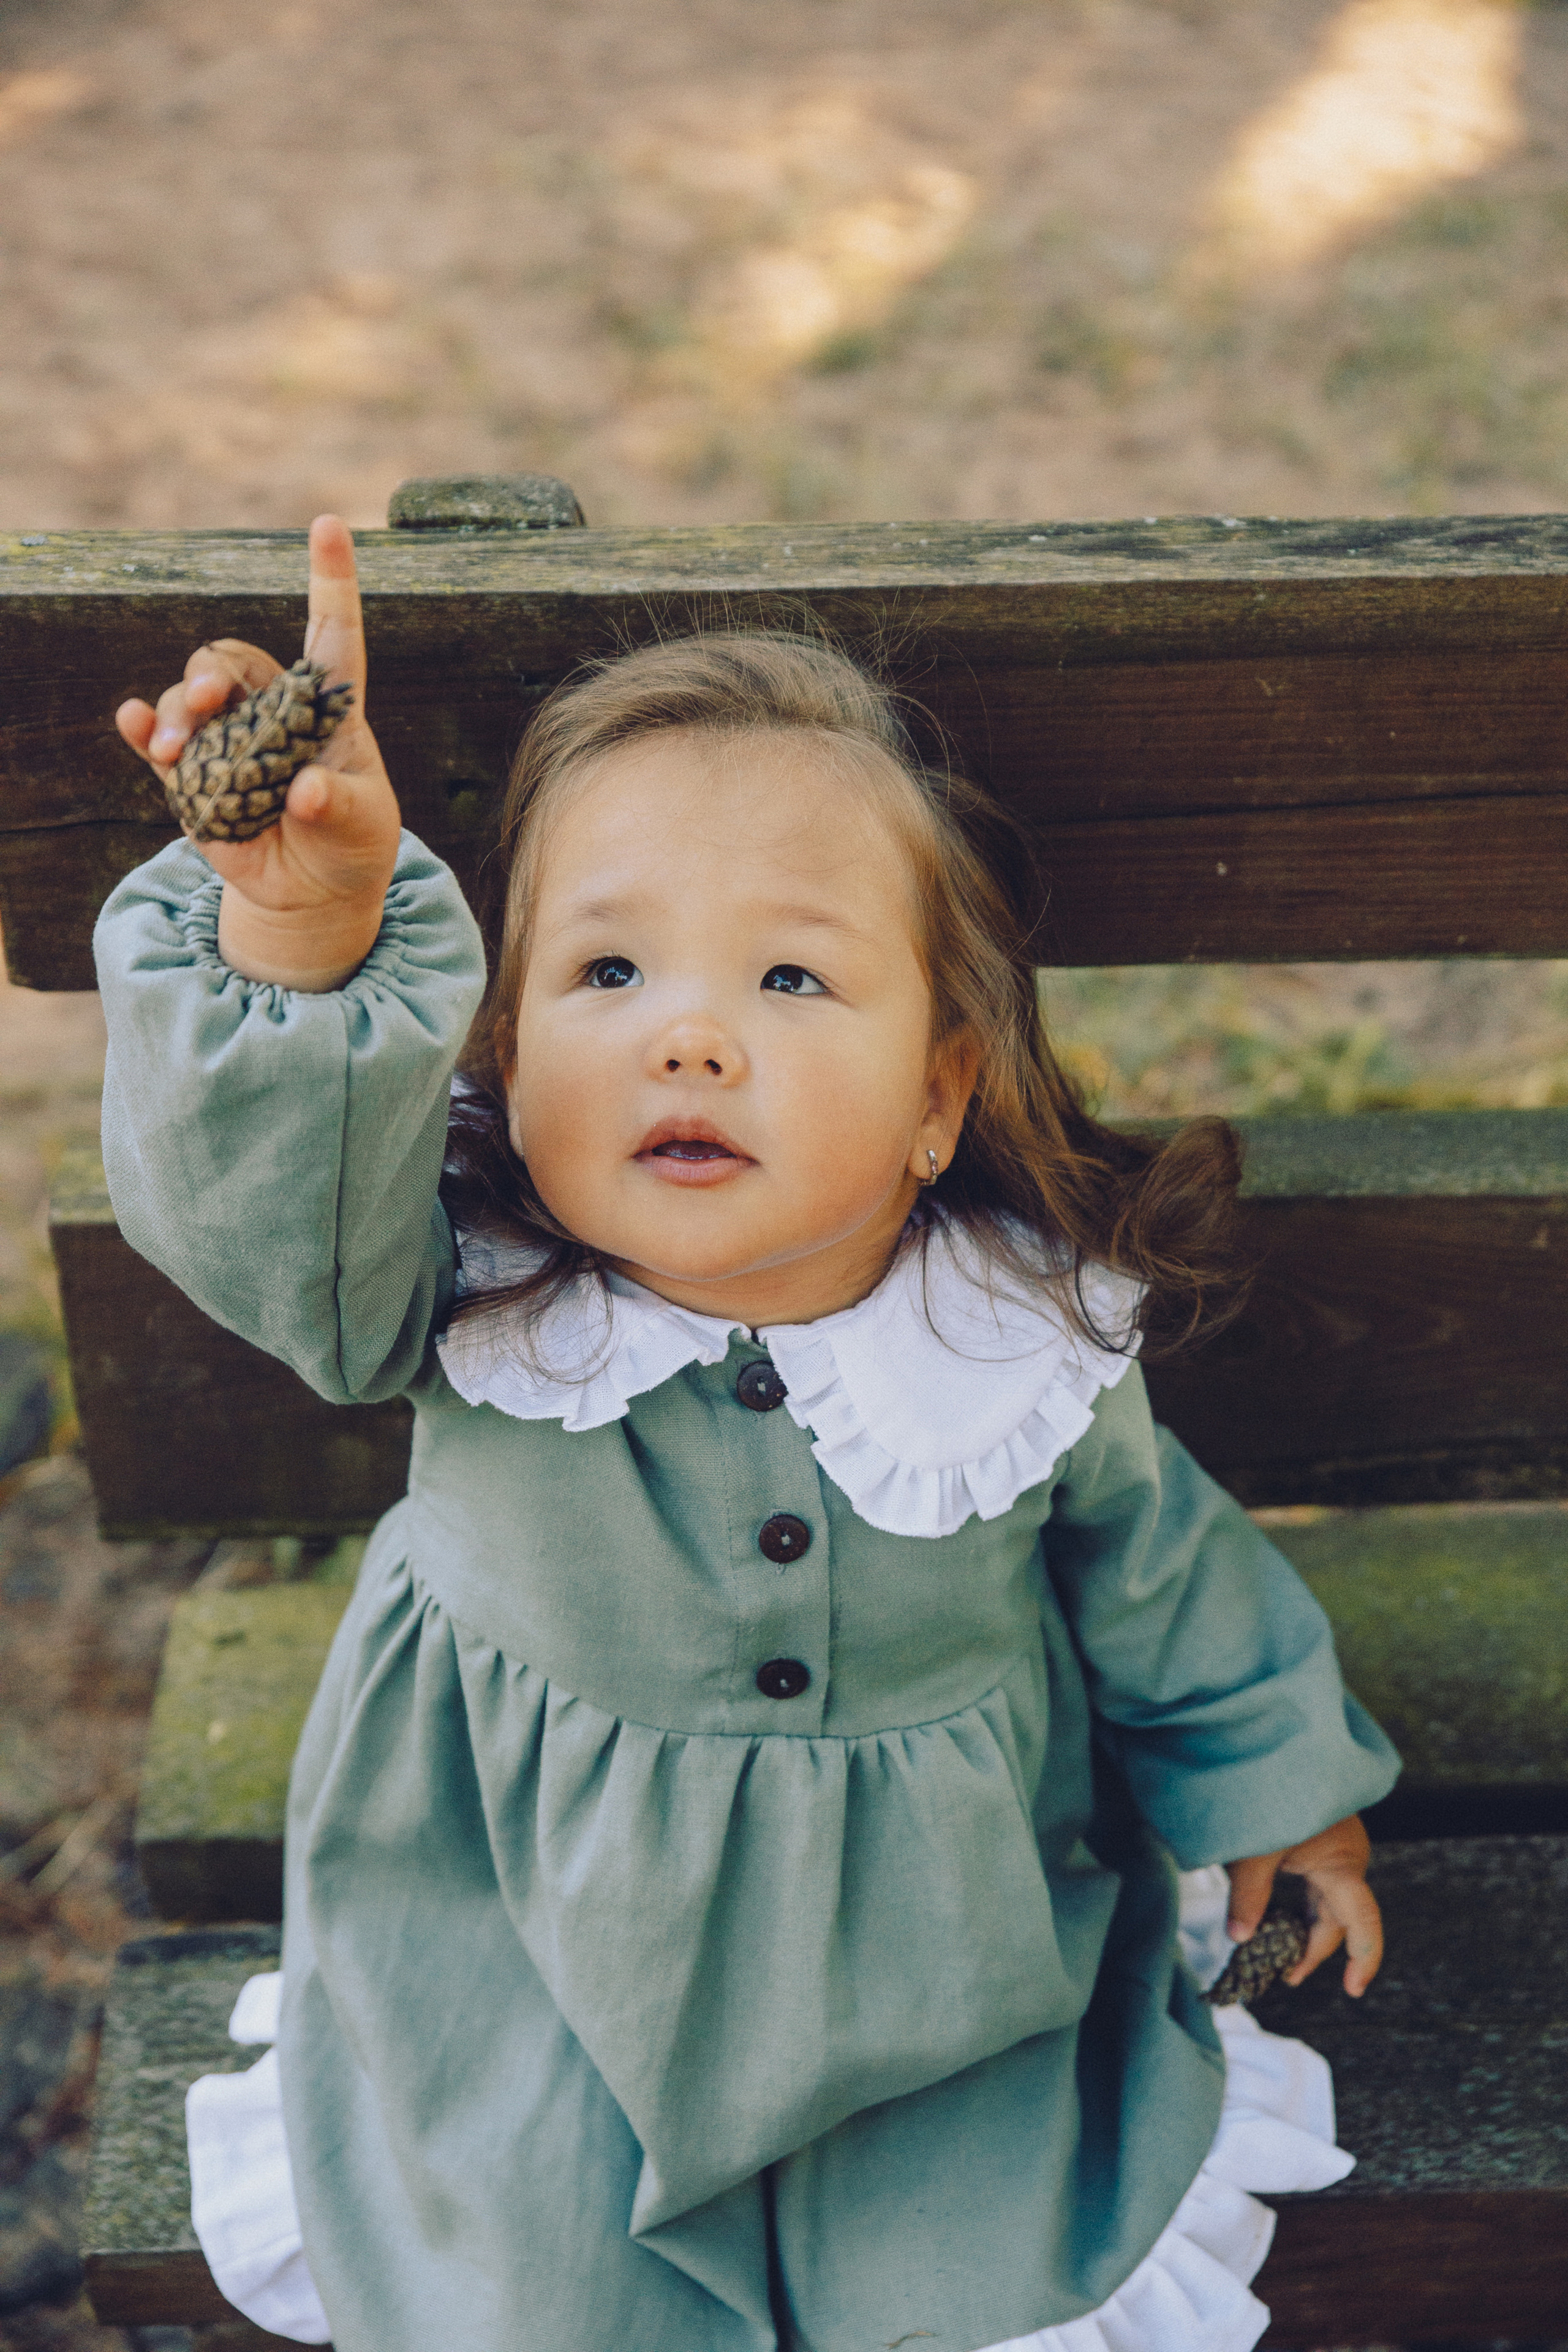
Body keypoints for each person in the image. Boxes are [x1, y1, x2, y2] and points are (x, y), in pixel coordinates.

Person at [100, 516, 1398, 2352]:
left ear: (941, 1091)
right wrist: (306, 925)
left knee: (973, 2269)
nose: (690, 1039)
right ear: (504, 1051)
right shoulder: (442, 1286)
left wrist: (1287, 1799)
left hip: (942, 1966)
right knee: (532, 2284)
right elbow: (249, 1212)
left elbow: (1160, 1567)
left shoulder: (1012, 1345)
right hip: (533, 1941)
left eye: (790, 982)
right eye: (608, 977)